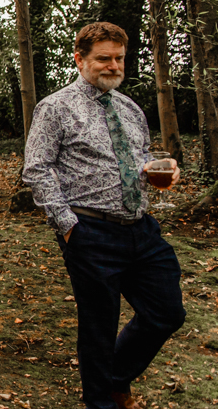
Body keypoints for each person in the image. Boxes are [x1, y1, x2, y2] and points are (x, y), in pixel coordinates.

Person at [23, 22, 184, 409]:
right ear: (80, 60)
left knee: (167, 312)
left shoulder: (129, 108)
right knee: (99, 327)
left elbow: (140, 156)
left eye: (119, 59)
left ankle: (114, 378)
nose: (113, 66)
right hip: (89, 230)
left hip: (142, 230)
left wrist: (160, 166)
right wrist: (67, 225)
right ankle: (102, 401)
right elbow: (37, 168)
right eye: (103, 59)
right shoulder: (55, 107)